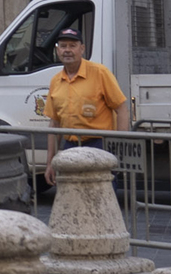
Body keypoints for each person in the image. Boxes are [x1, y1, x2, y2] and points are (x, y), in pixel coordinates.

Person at [41, 24, 126, 183]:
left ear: (82, 49)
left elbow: (121, 108)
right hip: (70, 147)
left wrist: (120, 149)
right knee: (73, 198)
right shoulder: (56, 81)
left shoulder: (100, 73)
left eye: (72, 46)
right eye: (63, 46)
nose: (67, 50)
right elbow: (54, 123)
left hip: (99, 145)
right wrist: (50, 163)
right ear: (57, 50)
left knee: (101, 199)